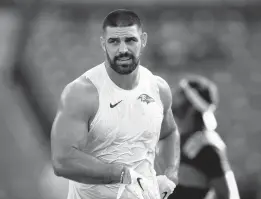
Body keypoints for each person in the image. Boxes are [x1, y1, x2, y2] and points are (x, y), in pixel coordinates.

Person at [50, 9, 180, 199]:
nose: (123, 50)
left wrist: (170, 175)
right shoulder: (82, 92)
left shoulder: (158, 88)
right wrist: (121, 174)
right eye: (114, 41)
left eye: (130, 40)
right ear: (103, 43)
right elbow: (62, 161)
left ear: (143, 40)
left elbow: (169, 133)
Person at [164, 75, 240, 199]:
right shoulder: (178, 138)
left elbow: (228, 195)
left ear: (191, 107)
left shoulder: (207, 147)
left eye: (179, 96)